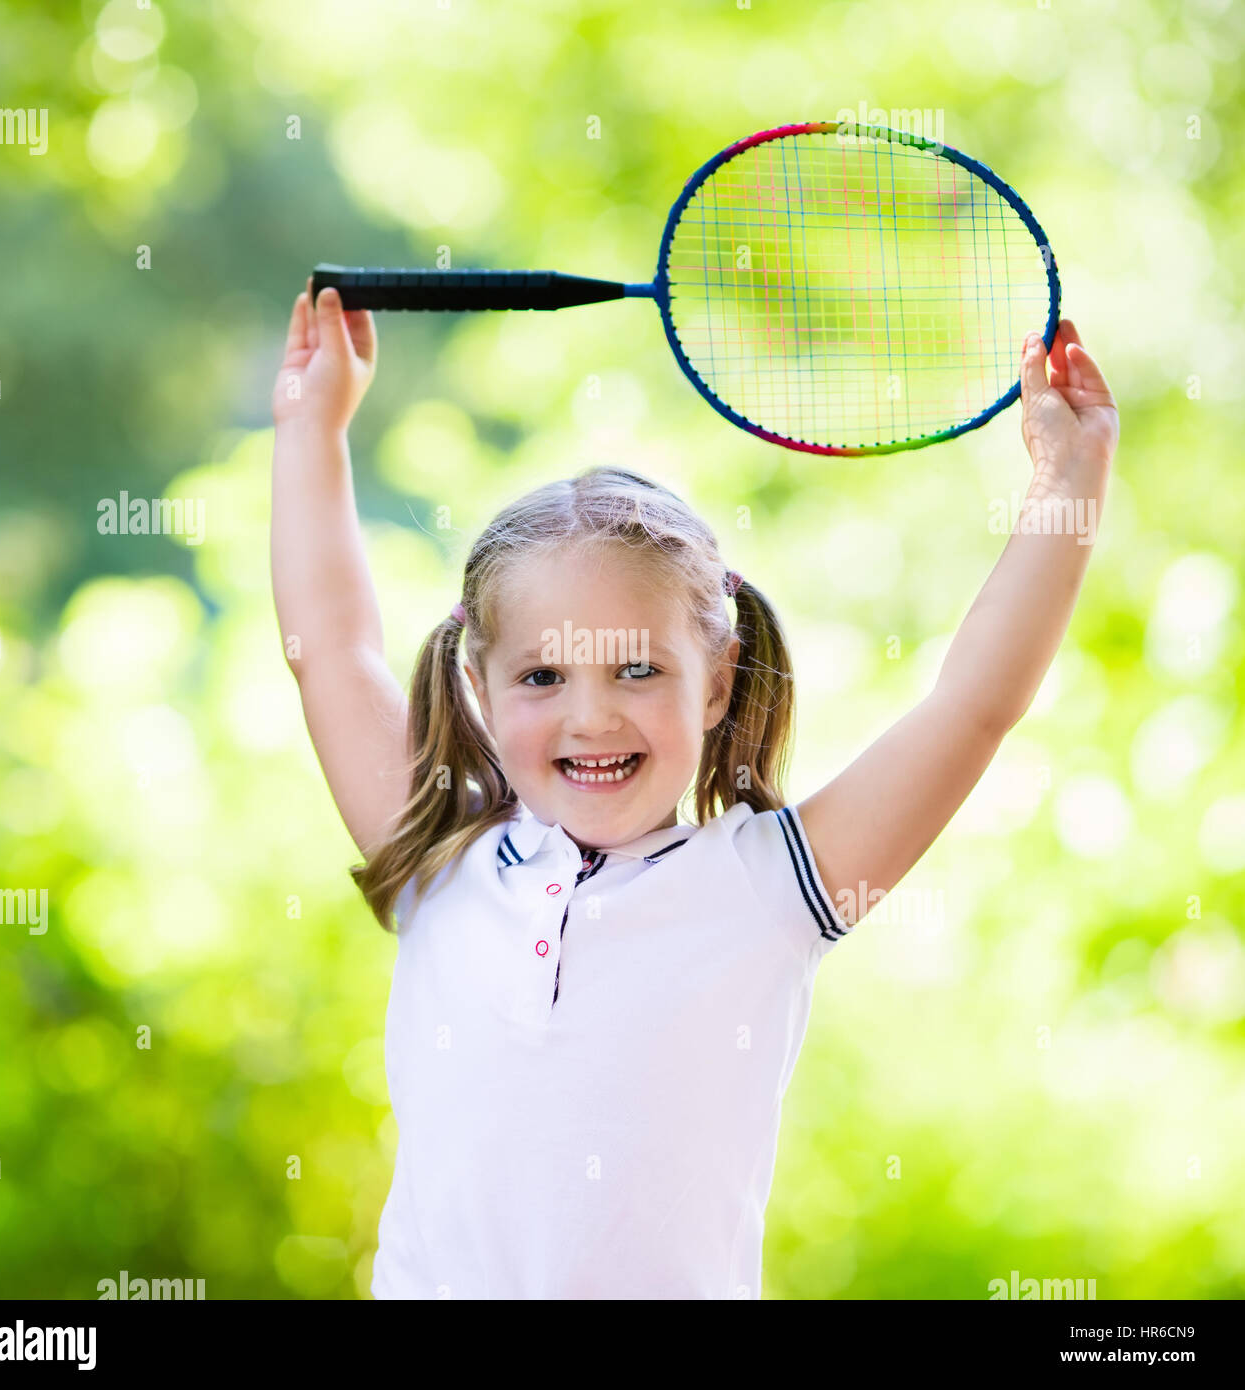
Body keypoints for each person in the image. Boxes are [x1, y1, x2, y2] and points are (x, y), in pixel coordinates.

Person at [270, 279, 1119, 1299]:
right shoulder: (442, 856)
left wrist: (1068, 478)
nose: (591, 717)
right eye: (543, 676)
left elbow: (970, 707)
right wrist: (311, 424)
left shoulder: (769, 888)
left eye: (639, 670)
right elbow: (328, 649)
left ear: (715, 680)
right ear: (481, 687)